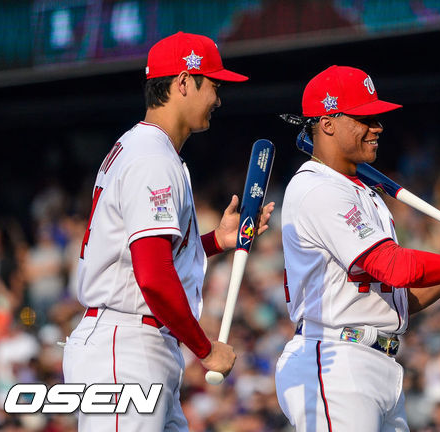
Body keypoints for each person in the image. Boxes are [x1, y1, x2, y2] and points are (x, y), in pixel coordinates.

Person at [275, 65, 440, 432]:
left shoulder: (365, 193)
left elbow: (404, 297)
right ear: (327, 123)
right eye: (364, 117)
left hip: (378, 362)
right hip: (335, 360)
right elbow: (395, 267)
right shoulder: (317, 188)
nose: (378, 127)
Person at [62, 32, 274, 431]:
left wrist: (215, 241)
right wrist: (205, 348)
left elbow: (147, 256)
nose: (219, 97)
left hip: (137, 343)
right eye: (213, 84)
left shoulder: (146, 150)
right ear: (182, 82)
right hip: (124, 346)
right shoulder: (151, 158)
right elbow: (153, 276)